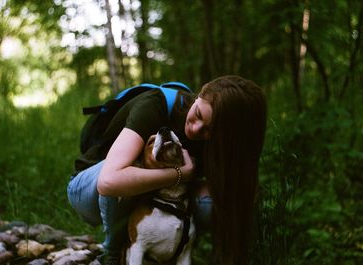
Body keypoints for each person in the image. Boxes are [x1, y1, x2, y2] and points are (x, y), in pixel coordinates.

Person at [67, 75, 267, 265]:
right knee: (126, 170)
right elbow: (108, 181)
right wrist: (181, 174)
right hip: (88, 190)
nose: (195, 129)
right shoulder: (156, 105)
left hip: (148, 195)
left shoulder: (221, 145)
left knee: (225, 201)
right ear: (199, 94)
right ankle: (112, 253)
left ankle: (178, 252)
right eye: (198, 114)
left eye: (209, 131)